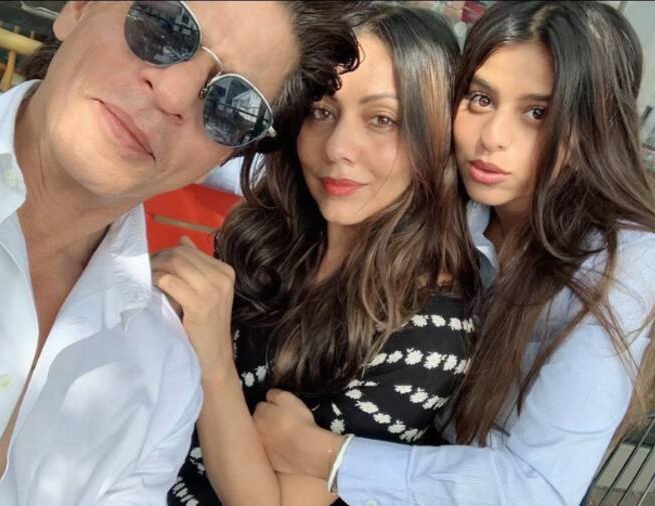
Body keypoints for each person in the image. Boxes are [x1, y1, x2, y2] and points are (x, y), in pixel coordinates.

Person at [0, 1, 362, 504]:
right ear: (78, 8)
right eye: (165, 24)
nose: (173, 95)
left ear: (223, 158)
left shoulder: (165, 379)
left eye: (233, 105)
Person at [252, 2, 655, 505]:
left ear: (596, 124)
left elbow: (538, 489)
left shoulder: (622, 260)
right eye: (480, 99)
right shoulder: (454, 200)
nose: (492, 139)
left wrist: (328, 456)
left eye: (538, 113)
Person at [151, 5, 479, 505]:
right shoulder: (272, 233)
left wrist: (212, 356)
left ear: (434, 140)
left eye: (382, 120)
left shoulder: (428, 335)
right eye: (322, 112)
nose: (337, 148)